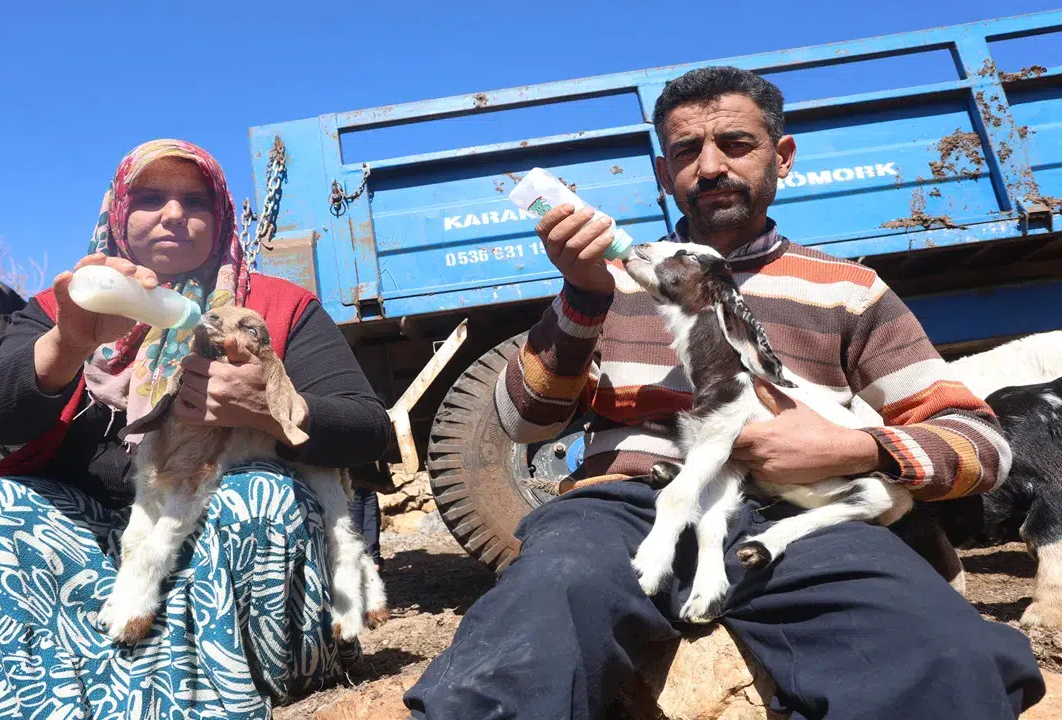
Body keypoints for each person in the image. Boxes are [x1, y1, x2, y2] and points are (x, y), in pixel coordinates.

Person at [404, 67, 1045, 719]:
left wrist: (854, 448)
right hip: (622, 513)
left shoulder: (849, 290)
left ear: (783, 156)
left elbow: (982, 444)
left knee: (949, 660)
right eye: (687, 151)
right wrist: (581, 295)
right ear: (664, 173)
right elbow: (521, 421)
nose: (709, 166)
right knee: (533, 628)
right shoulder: (616, 280)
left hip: (790, 521)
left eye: (735, 144)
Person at [0, 139, 391, 719]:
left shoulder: (275, 310)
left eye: (196, 202)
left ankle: (235, 689)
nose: (174, 215)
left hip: (212, 525)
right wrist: (66, 344)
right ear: (117, 212)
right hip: (86, 530)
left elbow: (367, 427)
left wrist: (273, 409)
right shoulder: (67, 305)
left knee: (258, 497)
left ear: (222, 217)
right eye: (151, 197)